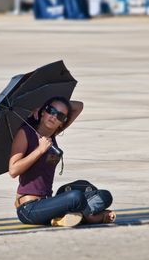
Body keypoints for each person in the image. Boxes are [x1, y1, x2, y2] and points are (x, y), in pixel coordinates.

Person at [9, 97, 116, 227]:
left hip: (49, 202)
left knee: (105, 195)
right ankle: (89, 216)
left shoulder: (52, 134)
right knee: (75, 197)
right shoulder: (25, 133)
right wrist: (39, 150)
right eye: (51, 110)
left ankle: (69, 216)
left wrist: (45, 105)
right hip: (29, 209)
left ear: (62, 123)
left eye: (60, 116)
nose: (54, 117)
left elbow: (79, 106)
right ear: (43, 113)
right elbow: (13, 170)